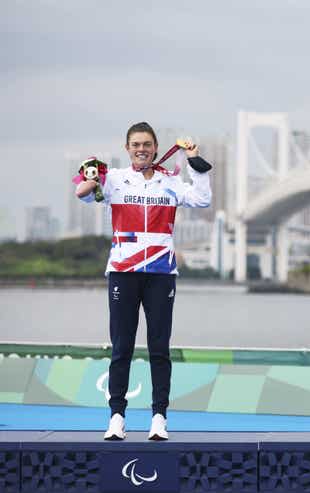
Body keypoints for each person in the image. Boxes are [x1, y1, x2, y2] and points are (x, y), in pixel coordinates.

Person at [75, 122, 212, 441]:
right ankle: (117, 418)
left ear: (155, 147)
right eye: (136, 144)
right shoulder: (116, 180)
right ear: (127, 148)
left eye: (147, 144)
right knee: (121, 347)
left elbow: (201, 200)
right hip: (124, 271)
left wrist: (197, 163)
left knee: (159, 348)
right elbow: (82, 194)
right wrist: (91, 176)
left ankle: (159, 418)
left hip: (162, 274)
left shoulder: (171, 181)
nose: (142, 149)